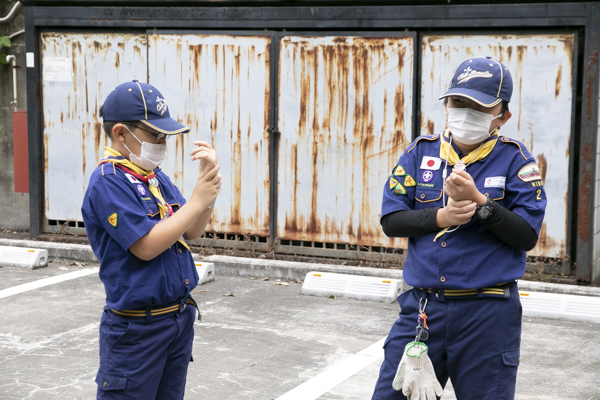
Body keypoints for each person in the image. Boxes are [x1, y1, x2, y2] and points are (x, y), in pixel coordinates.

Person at [372, 57, 547, 400]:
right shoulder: (420, 153)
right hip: (423, 313)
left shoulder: (517, 160)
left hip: (488, 316)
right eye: (458, 102)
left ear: (503, 116)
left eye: (479, 106)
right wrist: (444, 217)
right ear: (447, 104)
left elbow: (526, 235)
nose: (465, 112)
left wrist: (481, 203)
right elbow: (391, 220)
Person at [81, 80, 221, 399]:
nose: (162, 143)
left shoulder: (152, 175)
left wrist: (207, 188)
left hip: (176, 319)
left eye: (164, 136)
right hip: (137, 331)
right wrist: (197, 201)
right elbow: (146, 247)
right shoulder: (108, 182)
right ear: (120, 133)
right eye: (155, 135)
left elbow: (190, 231)